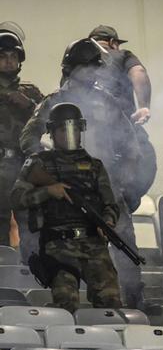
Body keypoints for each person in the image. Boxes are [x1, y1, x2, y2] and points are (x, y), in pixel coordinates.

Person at [20, 38, 149, 312]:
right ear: (72, 68)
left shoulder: (108, 102)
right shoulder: (54, 102)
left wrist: (121, 183)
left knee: (124, 242)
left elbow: (131, 148)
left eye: (95, 67)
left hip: (105, 188)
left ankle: (136, 304)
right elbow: (28, 138)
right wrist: (50, 170)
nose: (93, 73)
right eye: (88, 67)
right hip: (63, 195)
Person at [10, 102, 122, 313]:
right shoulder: (38, 163)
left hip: (93, 244)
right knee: (65, 303)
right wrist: (48, 191)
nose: (70, 135)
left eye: (75, 129)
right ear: (52, 133)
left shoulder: (94, 166)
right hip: (58, 246)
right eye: (63, 130)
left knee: (111, 304)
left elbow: (111, 204)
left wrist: (107, 222)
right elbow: (16, 198)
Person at [87, 25, 156, 212]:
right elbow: (138, 73)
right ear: (112, 43)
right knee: (141, 165)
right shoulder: (122, 55)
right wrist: (144, 106)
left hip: (88, 142)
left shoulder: (79, 61)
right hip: (123, 134)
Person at [0, 23, 43, 255]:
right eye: (3, 56)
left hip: (24, 166)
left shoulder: (31, 91)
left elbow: (52, 122)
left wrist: (30, 106)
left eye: (13, 56)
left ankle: (32, 273)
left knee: (30, 224)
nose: (8, 61)